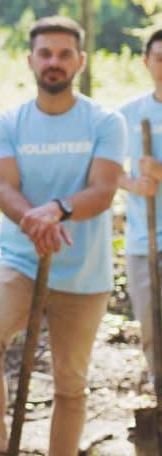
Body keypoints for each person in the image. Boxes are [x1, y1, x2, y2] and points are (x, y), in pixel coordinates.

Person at [0, 16, 125, 454]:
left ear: (80, 61)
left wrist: (58, 209)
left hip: (84, 274)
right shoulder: (8, 123)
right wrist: (33, 222)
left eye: (64, 54)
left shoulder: (105, 121)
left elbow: (103, 189)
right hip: (20, 261)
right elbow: (4, 188)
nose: (54, 62)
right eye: (45, 54)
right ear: (30, 60)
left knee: (71, 385)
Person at [119, 27, 162, 381]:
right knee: (150, 325)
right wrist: (133, 183)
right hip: (142, 241)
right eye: (160, 58)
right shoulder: (128, 114)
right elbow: (103, 169)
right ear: (146, 62)